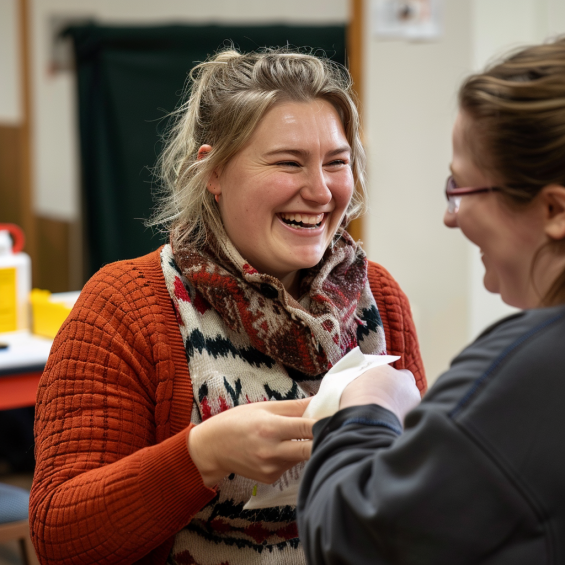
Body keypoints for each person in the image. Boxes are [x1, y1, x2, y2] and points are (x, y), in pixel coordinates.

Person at [29, 48, 426, 565]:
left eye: (337, 163)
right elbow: (60, 536)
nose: (321, 190)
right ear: (213, 171)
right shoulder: (127, 306)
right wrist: (201, 457)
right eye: (288, 163)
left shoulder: (379, 298)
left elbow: (425, 509)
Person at [297, 36, 565, 564]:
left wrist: (367, 410)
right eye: (286, 162)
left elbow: (353, 540)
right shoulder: (136, 297)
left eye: (459, 189)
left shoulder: (532, 369)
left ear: (555, 209)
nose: (320, 192)